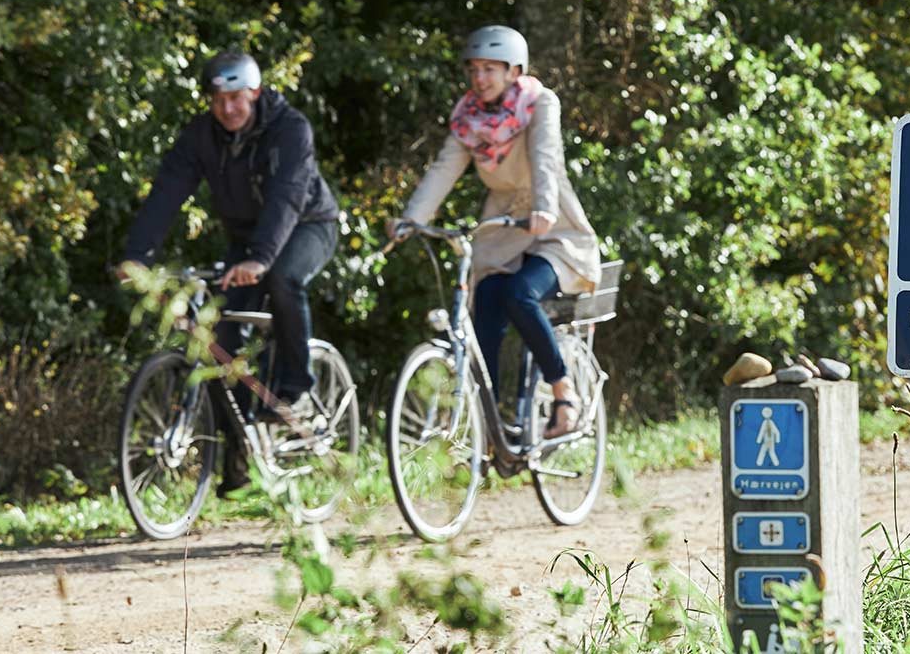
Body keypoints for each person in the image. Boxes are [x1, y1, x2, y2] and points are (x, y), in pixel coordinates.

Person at [117, 50, 340, 494]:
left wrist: (260, 258)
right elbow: (168, 192)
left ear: (255, 93)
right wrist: (137, 255)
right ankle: (237, 458)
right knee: (217, 339)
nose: (228, 109)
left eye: (237, 98)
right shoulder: (202, 136)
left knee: (281, 279)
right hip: (247, 238)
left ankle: (296, 386)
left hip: (307, 226)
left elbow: (288, 197)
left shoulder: (290, 129)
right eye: (218, 100)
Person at [390, 25, 601, 439]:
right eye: (474, 69)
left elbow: (544, 156)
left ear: (514, 70)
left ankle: (563, 390)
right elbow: (443, 170)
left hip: (552, 223)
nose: (480, 79)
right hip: (504, 225)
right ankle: (485, 423)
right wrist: (411, 218)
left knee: (520, 293)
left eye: (491, 69)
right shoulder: (469, 117)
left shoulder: (539, 103)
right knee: (485, 298)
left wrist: (543, 207)